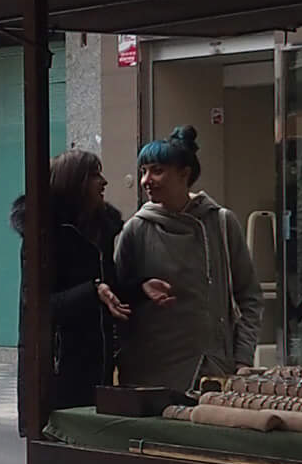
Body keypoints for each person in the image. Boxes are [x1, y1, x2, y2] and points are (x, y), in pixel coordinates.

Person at [110, 127, 261, 391]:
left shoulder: (221, 222)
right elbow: (118, 296)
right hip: (147, 372)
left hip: (212, 368)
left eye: (157, 171)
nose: (146, 180)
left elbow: (249, 296)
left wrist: (242, 358)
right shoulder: (136, 228)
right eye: (143, 171)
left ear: (184, 173)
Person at [15, 150, 130, 413]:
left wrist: (141, 287)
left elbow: (109, 289)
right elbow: (38, 305)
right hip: (58, 373)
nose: (104, 182)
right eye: (94, 175)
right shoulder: (43, 235)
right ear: (74, 183)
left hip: (98, 368)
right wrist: (92, 291)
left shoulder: (100, 231)